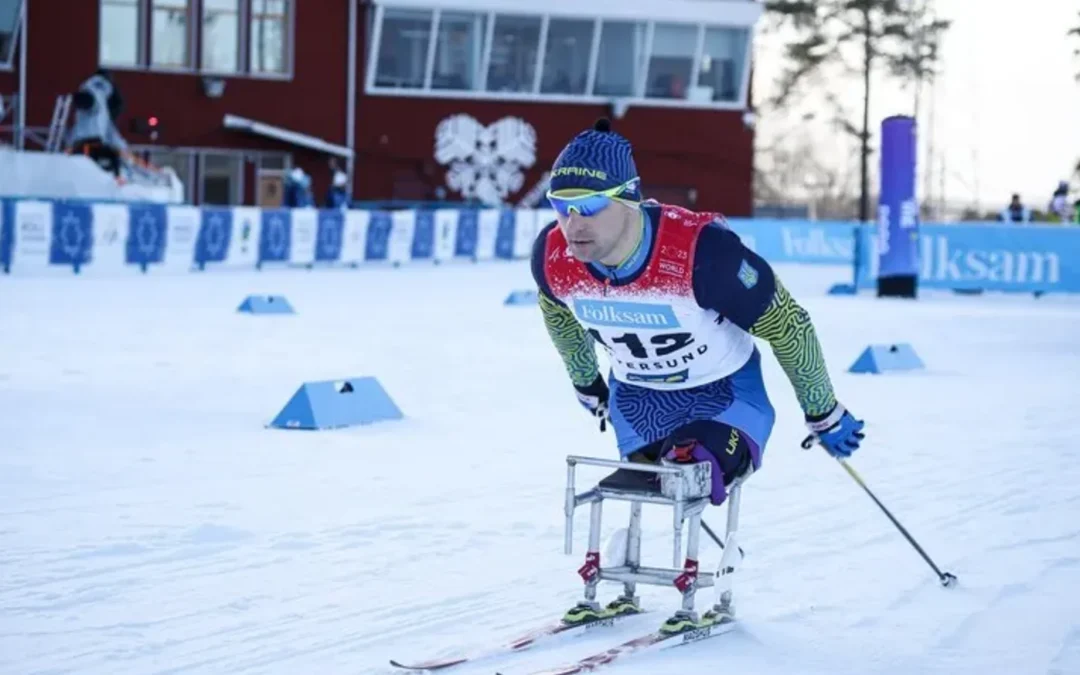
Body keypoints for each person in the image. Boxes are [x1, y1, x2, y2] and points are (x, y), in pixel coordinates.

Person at [531, 118, 865, 631]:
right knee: (643, 483)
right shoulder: (554, 256)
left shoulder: (704, 255)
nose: (573, 224)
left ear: (629, 198)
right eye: (561, 206)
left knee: (693, 471)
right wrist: (586, 380)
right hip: (639, 401)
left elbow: (788, 324)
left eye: (590, 206)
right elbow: (556, 311)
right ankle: (622, 569)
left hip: (724, 394)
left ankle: (711, 585)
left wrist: (822, 408)